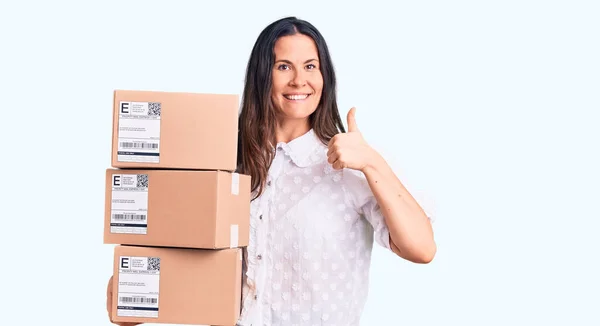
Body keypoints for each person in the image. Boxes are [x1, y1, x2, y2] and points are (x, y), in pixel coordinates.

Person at [107, 16, 435, 326]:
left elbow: (422, 249)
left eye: (310, 66)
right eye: (283, 67)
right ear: (263, 75)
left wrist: (372, 163)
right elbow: (167, 256)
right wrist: (132, 292)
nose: (298, 80)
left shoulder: (352, 166)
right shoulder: (223, 168)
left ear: (325, 77)